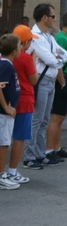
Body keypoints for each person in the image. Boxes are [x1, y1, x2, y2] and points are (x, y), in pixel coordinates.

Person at [23, 4, 67, 169]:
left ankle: (40, 154)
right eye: (53, 16)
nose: (55, 19)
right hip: (42, 81)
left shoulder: (48, 37)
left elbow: (65, 54)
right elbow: (51, 60)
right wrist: (55, 58)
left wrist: (54, 58)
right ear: (45, 18)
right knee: (37, 120)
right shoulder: (35, 36)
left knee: (43, 120)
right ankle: (29, 157)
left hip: (50, 81)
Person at [45, 12, 67, 161]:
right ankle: (49, 150)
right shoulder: (61, 38)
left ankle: (56, 148)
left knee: (61, 117)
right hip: (62, 78)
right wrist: (63, 83)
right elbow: (57, 62)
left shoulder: (65, 38)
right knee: (56, 117)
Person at [7, 26, 38, 183]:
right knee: (19, 138)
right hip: (25, 99)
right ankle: (12, 171)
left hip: (9, 99)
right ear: (25, 43)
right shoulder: (25, 58)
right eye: (30, 41)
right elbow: (33, 80)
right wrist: (33, 61)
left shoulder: (5, 57)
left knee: (5, 138)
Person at [0, 34, 21, 189]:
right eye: (20, 46)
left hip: (6, 112)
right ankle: (1, 175)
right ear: (14, 51)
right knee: (3, 143)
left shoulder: (6, 64)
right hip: (3, 112)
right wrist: (6, 107)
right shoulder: (6, 65)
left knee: (4, 142)